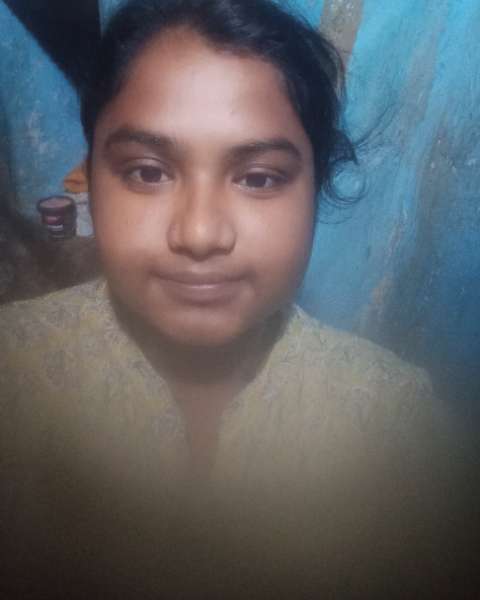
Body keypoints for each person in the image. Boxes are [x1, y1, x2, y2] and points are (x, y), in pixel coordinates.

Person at [0, 0, 472, 597]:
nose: (200, 234)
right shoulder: (15, 378)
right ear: (90, 179)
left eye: (258, 178)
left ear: (316, 189)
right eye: (147, 172)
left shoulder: (396, 431)